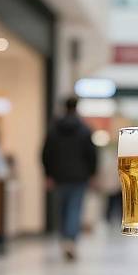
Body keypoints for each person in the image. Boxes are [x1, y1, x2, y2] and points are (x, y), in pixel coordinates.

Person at [42, 97, 97, 261]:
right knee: (74, 209)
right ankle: (71, 241)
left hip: (59, 177)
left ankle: (64, 239)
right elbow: (91, 155)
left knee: (62, 209)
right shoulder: (84, 129)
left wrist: (48, 174)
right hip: (79, 177)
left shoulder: (53, 129)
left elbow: (46, 153)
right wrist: (92, 173)